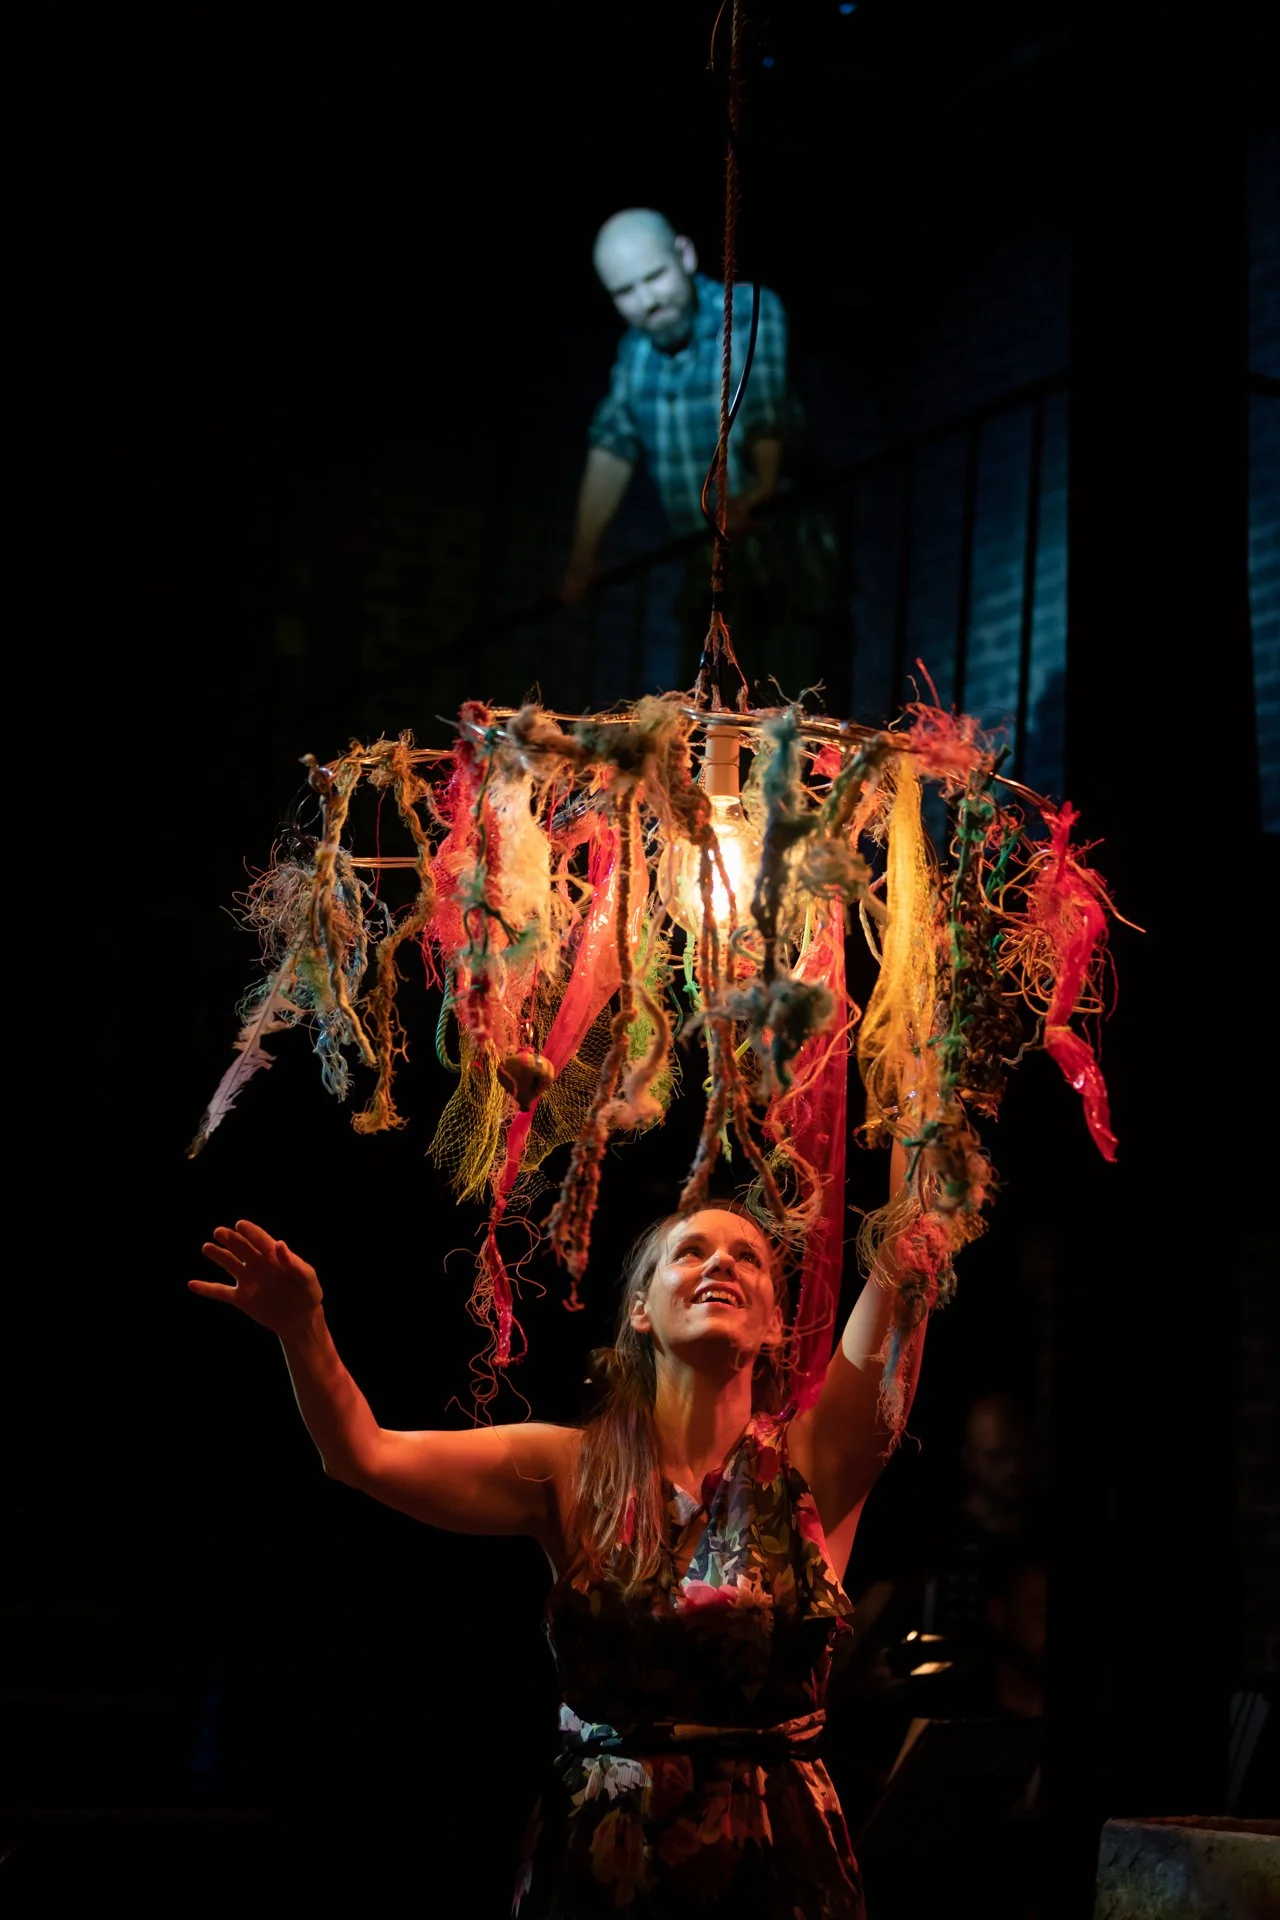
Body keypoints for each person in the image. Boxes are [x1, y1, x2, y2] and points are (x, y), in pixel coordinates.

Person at [190, 1151, 923, 1917]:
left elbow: (911, 1254)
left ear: (775, 1321)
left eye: (748, 1257)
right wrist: (302, 1327)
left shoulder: (815, 1465)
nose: (720, 1264)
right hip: (606, 1868)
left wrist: (920, 1108)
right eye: (690, 1252)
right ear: (640, 1309)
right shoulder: (570, 1468)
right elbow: (361, 1454)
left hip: (778, 1872)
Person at [561, 208, 845, 696]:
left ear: (685, 255)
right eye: (625, 292)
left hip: (787, 560)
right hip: (706, 573)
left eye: (655, 277)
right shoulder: (634, 356)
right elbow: (612, 444)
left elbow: (764, 408)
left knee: (791, 711)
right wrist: (583, 557)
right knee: (702, 719)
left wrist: (762, 487)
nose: (647, 301)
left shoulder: (744, 307)